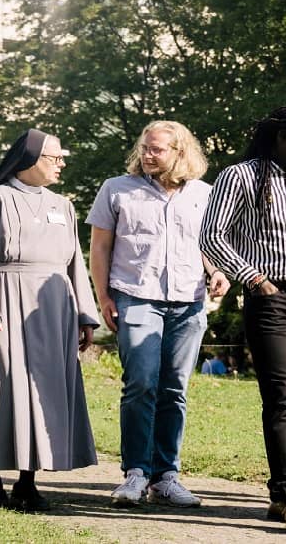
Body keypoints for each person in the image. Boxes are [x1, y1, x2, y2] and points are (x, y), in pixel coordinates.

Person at [199, 102, 286, 527]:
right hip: (271, 300)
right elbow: (212, 236)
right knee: (281, 398)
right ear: (281, 136)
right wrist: (255, 279)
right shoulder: (239, 176)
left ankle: (284, 493)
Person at [0, 129, 102, 511]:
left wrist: (85, 314)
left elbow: (76, 265)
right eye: (54, 157)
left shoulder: (64, 205)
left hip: (53, 306)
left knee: (44, 390)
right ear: (30, 159)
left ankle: (28, 480)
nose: (61, 164)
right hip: (4, 301)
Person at [89, 121, 228, 509]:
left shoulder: (205, 194)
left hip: (188, 300)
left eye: (158, 150)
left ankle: (166, 477)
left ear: (179, 152)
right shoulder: (117, 189)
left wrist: (217, 271)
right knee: (141, 385)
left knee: (174, 390)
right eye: (145, 148)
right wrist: (103, 297)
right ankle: (135, 473)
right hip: (136, 297)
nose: (148, 155)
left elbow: (209, 245)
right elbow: (100, 248)